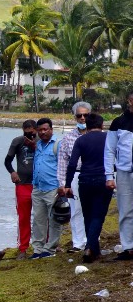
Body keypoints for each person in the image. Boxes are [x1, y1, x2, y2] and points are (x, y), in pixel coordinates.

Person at [65, 113, 112, 263]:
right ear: (102, 124)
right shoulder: (108, 139)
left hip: (84, 180)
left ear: (87, 125)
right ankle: (89, 247)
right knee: (98, 215)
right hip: (103, 179)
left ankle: (94, 250)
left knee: (88, 215)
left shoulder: (81, 140)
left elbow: (72, 164)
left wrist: (67, 184)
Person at [57, 101, 91, 253]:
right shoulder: (68, 137)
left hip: (92, 174)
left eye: (86, 115)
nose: (83, 118)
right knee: (76, 210)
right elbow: (63, 161)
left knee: (92, 208)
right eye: (79, 115)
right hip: (75, 175)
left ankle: (92, 240)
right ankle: (78, 243)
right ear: (75, 117)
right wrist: (63, 183)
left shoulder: (99, 135)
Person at [105, 90, 133, 260]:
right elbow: (109, 151)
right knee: (125, 209)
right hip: (124, 172)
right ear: (129, 101)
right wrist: (109, 176)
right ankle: (128, 246)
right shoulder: (118, 122)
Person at [4, 120, 37, 259]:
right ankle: (23, 247)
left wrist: (36, 144)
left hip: (40, 184)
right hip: (23, 184)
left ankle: (47, 244)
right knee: (23, 217)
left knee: (44, 217)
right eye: (26, 131)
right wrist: (12, 172)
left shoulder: (42, 141)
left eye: (32, 131)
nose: (29, 134)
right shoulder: (17, 141)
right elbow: (7, 160)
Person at [30, 118, 62, 259]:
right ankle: (37, 249)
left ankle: (50, 249)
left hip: (53, 188)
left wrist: (63, 186)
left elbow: (63, 166)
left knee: (54, 220)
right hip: (38, 188)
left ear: (51, 130)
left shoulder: (58, 145)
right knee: (38, 220)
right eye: (40, 130)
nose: (43, 132)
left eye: (45, 129)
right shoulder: (38, 145)